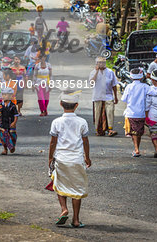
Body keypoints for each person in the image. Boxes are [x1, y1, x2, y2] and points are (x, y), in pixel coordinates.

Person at [49, 91, 91, 228]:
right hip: (77, 159)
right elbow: (85, 142)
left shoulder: (57, 122)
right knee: (77, 189)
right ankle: (76, 220)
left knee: (59, 183)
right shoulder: (82, 122)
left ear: (61, 104)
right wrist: (87, 157)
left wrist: (50, 157)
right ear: (76, 105)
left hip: (61, 158)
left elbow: (53, 142)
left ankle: (64, 209)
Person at [121, 68, 149, 157]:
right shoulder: (145, 86)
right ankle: (137, 148)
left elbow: (123, 99)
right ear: (141, 77)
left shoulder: (129, 87)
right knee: (139, 132)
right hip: (141, 113)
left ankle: (136, 149)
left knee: (134, 132)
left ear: (131, 77)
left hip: (131, 113)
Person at [89, 57, 119, 136]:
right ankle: (99, 130)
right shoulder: (93, 72)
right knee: (97, 114)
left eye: (103, 62)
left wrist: (115, 97)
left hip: (108, 96)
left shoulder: (110, 72)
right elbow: (92, 83)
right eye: (99, 62)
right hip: (97, 96)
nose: (101, 64)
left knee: (110, 112)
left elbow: (114, 85)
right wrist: (96, 72)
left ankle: (110, 129)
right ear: (96, 64)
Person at [0, 89, 19, 155]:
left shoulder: (13, 106)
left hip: (10, 123)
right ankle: (5, 149)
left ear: (10, 96)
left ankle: (12, 146)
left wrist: (14, 122)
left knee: (12, 136)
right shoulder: (0, 105)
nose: (4, 96)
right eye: (3, 94)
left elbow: (16, 115)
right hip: (3, 124)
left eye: (5, 94)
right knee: (3, 137)